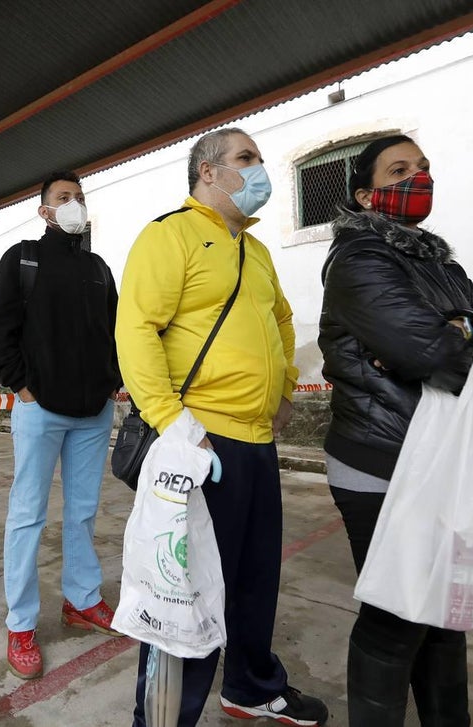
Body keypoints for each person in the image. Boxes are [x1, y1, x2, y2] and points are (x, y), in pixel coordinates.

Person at [318, 134, 473, 726]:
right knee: (397, 617)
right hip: (383, 457)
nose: (418, 177)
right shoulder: (359, 259)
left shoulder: (441, 264)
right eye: (399, 170)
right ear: (365, 195)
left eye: (423, 167)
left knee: (445, 613)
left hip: (448, 454)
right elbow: (429, 353)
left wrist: (467, 328)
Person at [115, 127, 329, 726]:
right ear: (209, 172)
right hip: (199, 442)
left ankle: (251, 686)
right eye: (247, 159)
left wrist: (285, 390)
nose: (259, 169)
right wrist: (174, 426)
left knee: (256, 579)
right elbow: (135, 331)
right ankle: (160, 719)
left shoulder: (255, 252)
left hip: (257, 443)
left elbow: (283, 322)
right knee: (183, 594)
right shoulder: (169, 236)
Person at [0, 171, 123, 680]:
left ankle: (82, 600)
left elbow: (116, 328)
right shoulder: (23, 258)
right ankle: (20, 624)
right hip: (40, 408)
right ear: (44, 211)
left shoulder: (99, 267)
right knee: (27, 515)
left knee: (84, 510)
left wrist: (116, 379)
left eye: (79, 198)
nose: (74, 205)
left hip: (93, 412)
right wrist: (21, 386)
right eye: (63, 198)